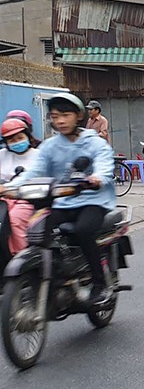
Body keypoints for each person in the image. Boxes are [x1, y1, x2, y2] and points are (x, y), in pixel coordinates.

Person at [3, 93, 116, 306]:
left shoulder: (94, 144)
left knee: (83, 230)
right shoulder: (49, 146)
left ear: (78, 116)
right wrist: (8, 188)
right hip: (63, 201)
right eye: (55, 117)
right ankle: (54, 274)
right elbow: (33, 172)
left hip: (93, 201)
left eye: (65, 115)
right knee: (37, 230)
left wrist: (97, 178)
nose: (60, 121)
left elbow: (104, 164)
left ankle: (99, 284)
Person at [0, 118, 40, 254]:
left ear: (28, 136)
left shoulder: (39, 156)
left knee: (14, 220)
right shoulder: (2, 155)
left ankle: (21, 257)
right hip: (4, 199)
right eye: (12, 140)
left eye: (20, 138)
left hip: (28, 199)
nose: (17, 142)